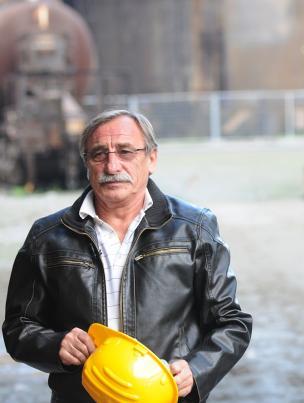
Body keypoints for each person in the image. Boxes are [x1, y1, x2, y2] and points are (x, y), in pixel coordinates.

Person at [3, 109, 252, 402]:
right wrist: (54, 345)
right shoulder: (46, 237)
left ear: (152, 158)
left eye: (125, 151)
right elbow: (18, 326)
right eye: (99, 154)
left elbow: (231, 322)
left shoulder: (193, 229)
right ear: (86, 164)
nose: (112, 164)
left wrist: (196, 370)